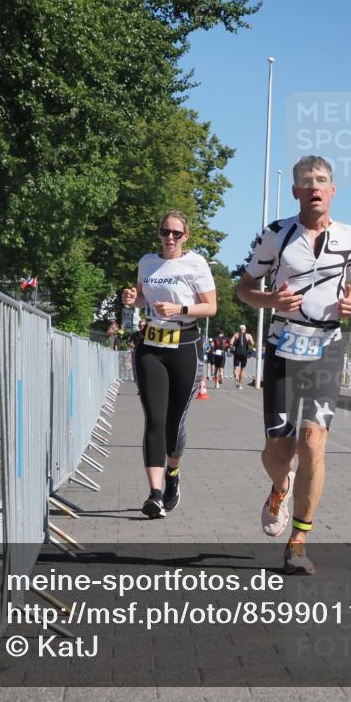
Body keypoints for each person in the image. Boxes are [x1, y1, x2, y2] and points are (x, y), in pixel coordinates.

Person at [235, 155, 351, 574]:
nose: (314, 186)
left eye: (322, 180)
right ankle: (280, 486)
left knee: (313, 444)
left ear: (332, 190)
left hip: (325, 348)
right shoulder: (276, 235)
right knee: (280, 449)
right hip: (282, 348)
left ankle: (298, 541)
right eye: (306, 181)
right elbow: (243, 289)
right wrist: (270, 300)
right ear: (295, 191)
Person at [121, 211, 216, 519]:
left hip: (185, 345)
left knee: (175, 423)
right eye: (165, 232)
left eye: (176, 233)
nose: (170, 237)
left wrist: (180, 307)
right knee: (154, 419)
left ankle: (173, 475)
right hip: (150, 345)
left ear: (185, 236)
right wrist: (131, 297)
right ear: (159, 233)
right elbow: (141, 299)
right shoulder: (148, 262)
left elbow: (211, 307)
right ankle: (155, 493)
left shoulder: (196, 264)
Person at [229, 324, 255, 388]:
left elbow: (230, 343)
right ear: (245, 329)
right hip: (245, 353)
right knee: (243, 369)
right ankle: (240, 384)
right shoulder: (248, 335)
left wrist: (232, 346)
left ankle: (237, 377)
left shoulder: (236, 334)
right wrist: (249, 343)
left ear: (240, 329)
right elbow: (252, 343)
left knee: (236, 368)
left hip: (237, 353)